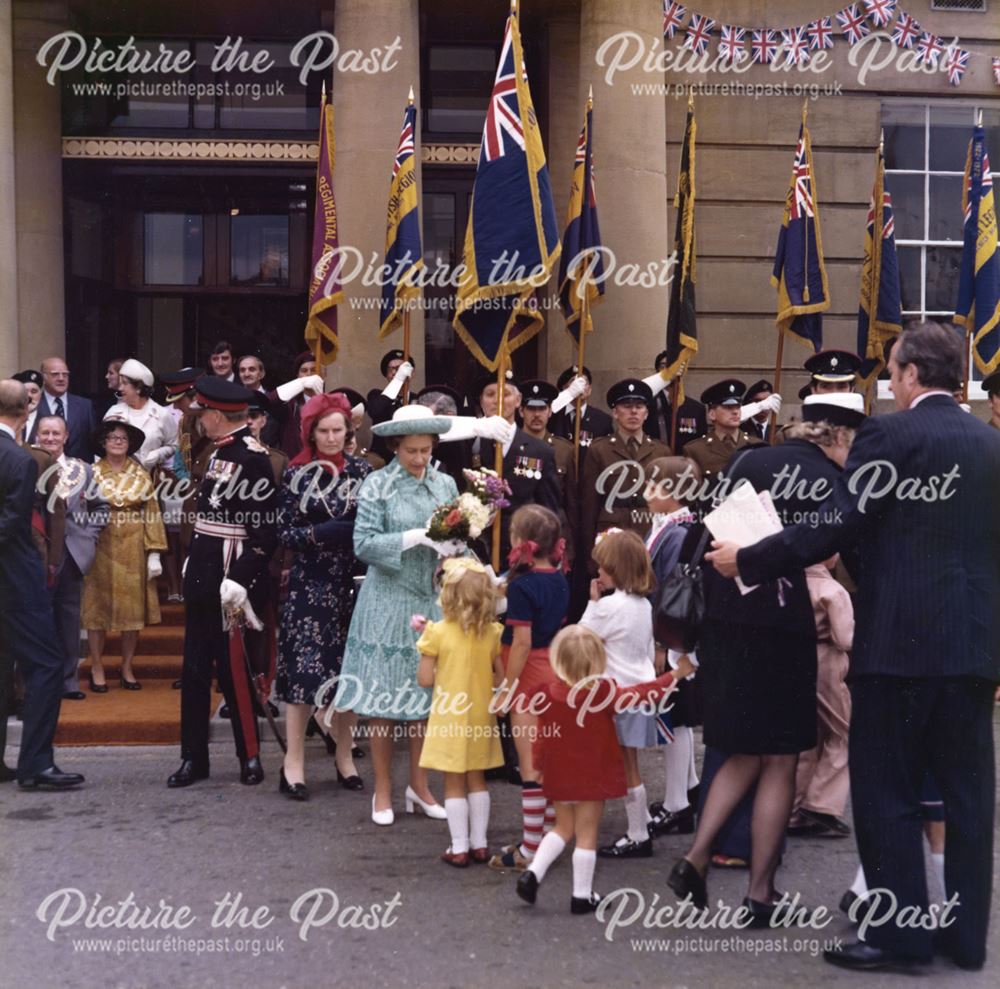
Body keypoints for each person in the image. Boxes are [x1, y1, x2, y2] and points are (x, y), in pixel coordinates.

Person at [708, 322, 1000, 972]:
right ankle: (962, 935)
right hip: (973, 648)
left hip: (899, 648)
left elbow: (841, 524)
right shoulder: (990, 444)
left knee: (887, 790)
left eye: (892, 372)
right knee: (969, 795)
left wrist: (749, 559)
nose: (889, 384)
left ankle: (899, 935)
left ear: (912, 376)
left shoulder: (889, 434)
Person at [336, 404, 459, 825]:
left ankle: (419, 786)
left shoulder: (445, 484)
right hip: (387, 600)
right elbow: (363, 544)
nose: (420, 459)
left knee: (425, 700)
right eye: (411, 451)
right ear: (395, 447)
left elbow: (461, 536)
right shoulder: (377, 484)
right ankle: (383, 790)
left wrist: (456, 553)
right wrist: (414, 537)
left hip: (431, 599)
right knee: (385, 701)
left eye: (426, 450)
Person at [515, 625, 691, 914]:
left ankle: (533, 872)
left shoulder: (546, 693)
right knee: (586, 835)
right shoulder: (604, 692)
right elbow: (642, 693)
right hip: (592, 776)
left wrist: (539, 766)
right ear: (597, 660)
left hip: (558, 773)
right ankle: (581, 895)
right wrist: (674, 676)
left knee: (562, 828)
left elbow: (541, 737)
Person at [167, 377, 278, 788]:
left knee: (234, 670)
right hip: (204, 571)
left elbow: (265, 533)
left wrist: (241, 580)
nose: (199, 421)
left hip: (231, 575)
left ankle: (249, 754)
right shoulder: (217, 451)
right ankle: (193, 758)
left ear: (215, 416)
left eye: (202, 414)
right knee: (194, 670)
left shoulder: (253, 458)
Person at [275, 393, 372, 801]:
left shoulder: (364, 472)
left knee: (348, 678)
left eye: (338, 430)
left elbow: (373, 526)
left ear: (348, 431)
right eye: (324, 430)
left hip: (351, 584)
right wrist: (320, 533)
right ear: (311, 432)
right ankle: (293, 762)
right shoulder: (296, 474)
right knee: (304, 677)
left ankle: (345, 756)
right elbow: (282, 532)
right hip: (310, 583)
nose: (332, 437)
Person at [0, 379, 84, 789]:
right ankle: (35, 764)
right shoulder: (19, 459)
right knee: (48, 665)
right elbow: (12, 524)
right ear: (27, 413)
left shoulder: (20, 457)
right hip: (14, 578)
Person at [489, 505, 570, 872]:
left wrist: (506, 687)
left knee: (530, 767)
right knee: (548, 759)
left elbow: (521, 642)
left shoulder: (522, 586)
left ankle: (531, 848)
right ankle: (549, 835)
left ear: (522, 542)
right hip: (553, 669)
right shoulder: (559, 577)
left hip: (528, 674)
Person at [415, 558, 505, 867]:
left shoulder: (436, 633)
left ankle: (459, 846)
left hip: (450, 715)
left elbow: (425, 679)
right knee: (478, 778)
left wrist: (444, 669)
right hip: (481, 713)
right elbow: (500, 678)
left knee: (453, 782)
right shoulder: (493, 632)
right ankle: (480, 844)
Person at [579, 529, 660, 859]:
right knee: (630, 764)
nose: (598, 572)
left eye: (603, 567)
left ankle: (637, 833)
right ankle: (638, 829)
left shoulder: (610, 607)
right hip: (641, 691)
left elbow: (581, 637)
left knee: (623, 767)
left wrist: (592, 603)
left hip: (618, 695)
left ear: (617, 569)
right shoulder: (643, 605)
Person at [80, 416, 167, 692]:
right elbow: (80, 512)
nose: (118, 442)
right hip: (100, 544)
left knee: (132, 610)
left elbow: (152, 512)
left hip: (132, 544)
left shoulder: (141, 474)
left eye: (123, 439)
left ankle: (127, 667)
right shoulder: (90, 472)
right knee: (97, 608)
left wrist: (154, 552)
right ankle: (96, 665)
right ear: (103, 443)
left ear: (130, 445)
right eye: (112, 438)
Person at [642, 456, 703, 838]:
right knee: (674, 715)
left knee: (673, 718)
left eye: (653, 486)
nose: (646, 493)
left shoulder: (677, 533)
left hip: (674, 640)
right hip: (675, 638)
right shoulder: (673, 526)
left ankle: (676, 803)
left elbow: (669, 592)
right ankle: (690, 788)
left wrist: (662, 643)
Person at [36, 416, 109, 701]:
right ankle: (39, 685)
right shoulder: (29, 464)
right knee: (39, 621)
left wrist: (89, 536)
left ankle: (69, 681)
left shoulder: (83, 470)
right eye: (45, 433)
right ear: (38, 435)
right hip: (38, 555)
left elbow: (101, 506)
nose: (50, 438)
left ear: (66, 436)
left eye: (56, 433)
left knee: (68, 623)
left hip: (73, 554)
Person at [469, 372, 560, 565]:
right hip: (478, 550)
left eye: (505, 394)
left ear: (518, 400)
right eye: (490, 394)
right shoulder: (471, 444)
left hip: (523, 550)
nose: (497, 401)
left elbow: (548, 508)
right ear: (481, 401)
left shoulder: (540, 451)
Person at [579, 378, 670, 560]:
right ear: (615, 412)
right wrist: (590, 554)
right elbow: (589, 504)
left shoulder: (661, 451)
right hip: (611, 533)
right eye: (627, 406)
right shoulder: (599, 449)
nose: (633, 412)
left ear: (646, 413)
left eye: (639, 406)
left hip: (648, 530)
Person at [519, 380, 577, 564]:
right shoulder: (510, 447)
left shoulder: (564, 449)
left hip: (554, 531)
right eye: (530, 409)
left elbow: (572, 501)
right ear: (521, 411)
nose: (537, 414)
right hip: (521, 531)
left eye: (542, 409)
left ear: (550, 411)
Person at [681, 379, 764, 489]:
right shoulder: (695, 450)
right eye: (728, 407)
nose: (735, 411)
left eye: (738, 406)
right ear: (712, 414)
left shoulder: (757, 446)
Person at [105, 359, 179, 473]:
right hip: (117, 481)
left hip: (149, 481)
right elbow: (101, 446)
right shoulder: (114, 412)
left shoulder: (161, 414)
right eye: (120, 383)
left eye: (125, 383)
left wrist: (158, 454)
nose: (120, 388)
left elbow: (174, 445)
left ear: (138, 387)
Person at [27, 356, 97, 460]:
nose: (61, 378)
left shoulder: (84, 406)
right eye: (55, 374)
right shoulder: (33, 405)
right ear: (43, 378)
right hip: (41, 470)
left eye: (65, 375)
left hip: (78, 472)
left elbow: (93, 442)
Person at [548, 365, 613, 464]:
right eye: (573, 381)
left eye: (583, 382)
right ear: (564, 388)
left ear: (590, 389)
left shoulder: (603, 420)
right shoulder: (552, 416)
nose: (580, 386)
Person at [643, 351, 706, 446]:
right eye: (663, 366)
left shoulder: (696, 409)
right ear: (657, 371)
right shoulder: (646, 407)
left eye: (674, 366)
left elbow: (700, 446)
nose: (670, 371)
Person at [366, 349, 416, 460]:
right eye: (390, 369)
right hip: (381, 460)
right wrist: (398, 380)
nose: (394, 373)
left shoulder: (418, 400)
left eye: (399, 369)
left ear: (411, 372)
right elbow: (375, 410)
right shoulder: (376, 395)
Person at [274, 352, 325, 457]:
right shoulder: (290, 404)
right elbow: (270, 400)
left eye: (314, 370)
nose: (309, 374)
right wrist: (300, 384)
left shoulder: (330, 403)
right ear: (298, 376)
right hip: (294, 464)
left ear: (323, 375)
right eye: (304, 371)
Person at [237, 354, 282, 448]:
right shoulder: (233, 401)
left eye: (252, 369)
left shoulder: (274, 402)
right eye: (242, 370)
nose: (246, 374)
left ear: (261, 374)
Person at [12, 369, 43, 444]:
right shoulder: (8, 419)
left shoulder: (47, 421)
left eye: (34, 392)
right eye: (25, 391)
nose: (29, 396)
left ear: (40, 394)